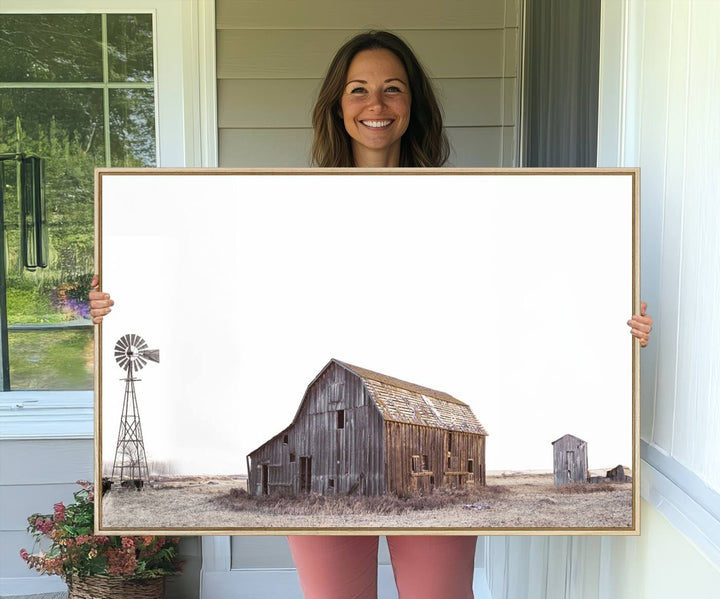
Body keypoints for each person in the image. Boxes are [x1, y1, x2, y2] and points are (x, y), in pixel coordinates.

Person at [90, 30, 653, 599]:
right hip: (324, 445)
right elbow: (224, 300)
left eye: (392, 89)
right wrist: (124, 305)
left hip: (426, 426)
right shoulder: (283, 210)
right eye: (358, 90)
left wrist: (610, 323)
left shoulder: (470, 209)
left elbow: (523, 302)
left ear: (413, 106)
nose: (376, 105)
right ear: (338, 105)